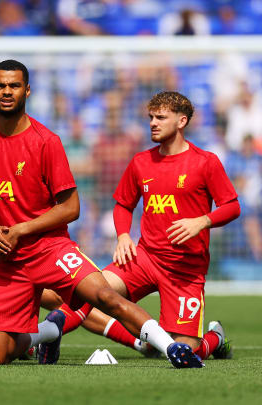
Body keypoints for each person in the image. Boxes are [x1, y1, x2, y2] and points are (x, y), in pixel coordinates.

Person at [0, 59, 202, 367]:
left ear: (27, 90)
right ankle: (48, 334)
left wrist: (21, 229)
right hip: (7, 260)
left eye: (14, 85)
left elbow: (71, 208)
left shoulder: (45, 141)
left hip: (50, 248)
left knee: (105, 297)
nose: (7, 91)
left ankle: (171, 349)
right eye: (0, 86)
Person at [64, 92, 239, 361]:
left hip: (185, 268)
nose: (153, 123)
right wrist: (123, 235)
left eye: (161, 117)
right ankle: (41, 339)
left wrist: (202, 221)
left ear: (181, 121)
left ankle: (214, 339)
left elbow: (232, 206)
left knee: (186, 350)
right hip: (144, 258)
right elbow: (123, 204)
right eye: (151, 118)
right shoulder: (141, 162)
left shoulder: (205, 162)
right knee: (90, 292)